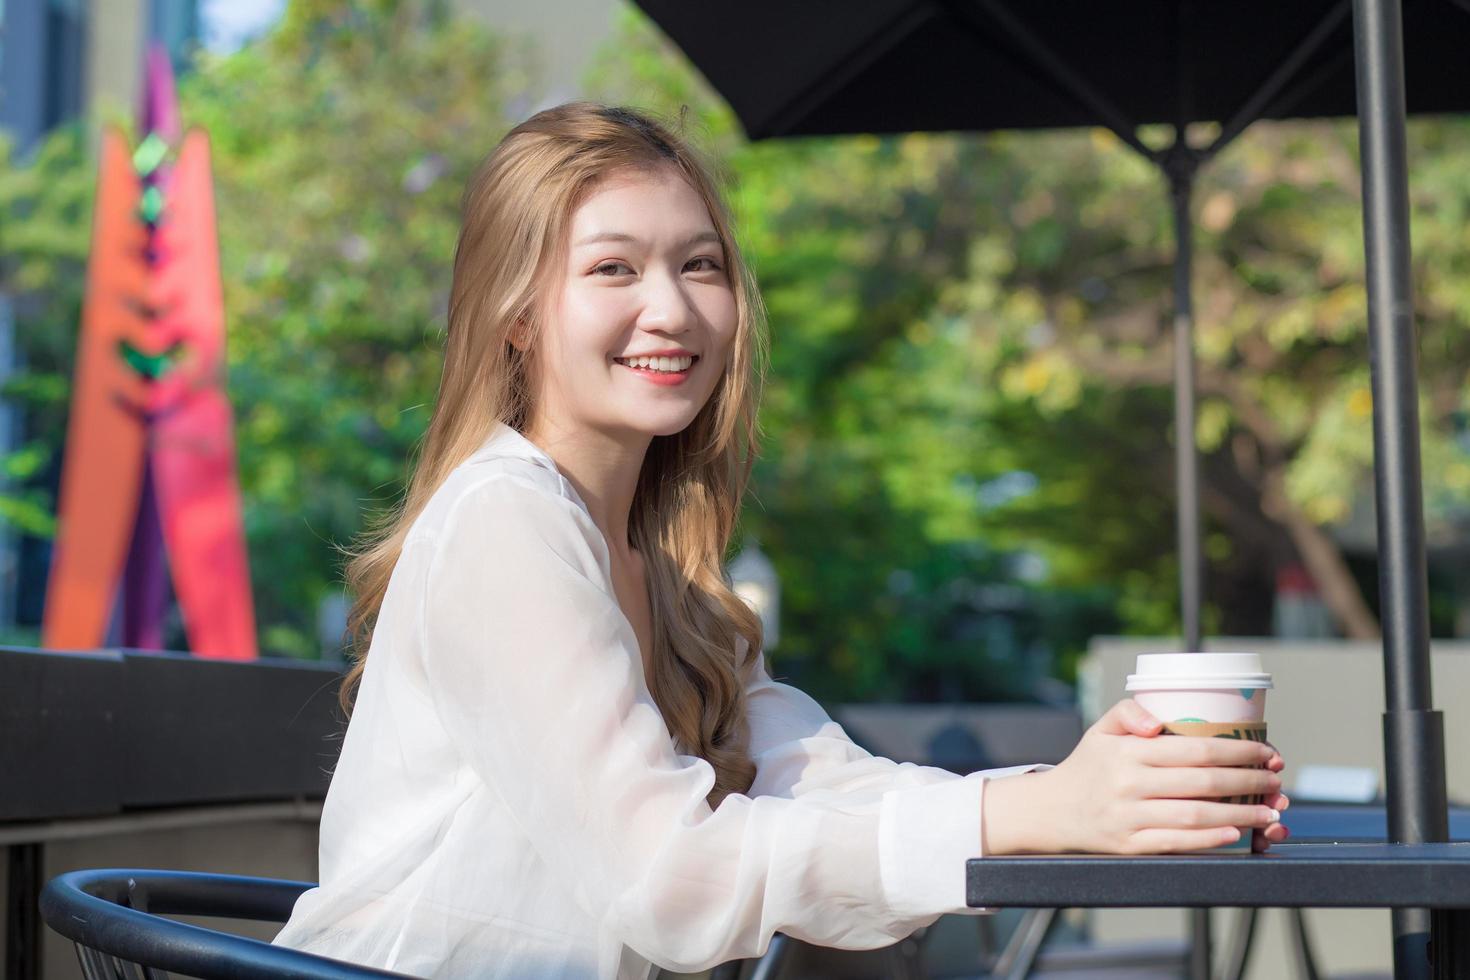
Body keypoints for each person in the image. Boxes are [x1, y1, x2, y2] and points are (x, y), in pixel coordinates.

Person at [272, 102, 1289, 979]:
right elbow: (667, 874)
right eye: (613, 267)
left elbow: (826, 778)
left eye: (699, 263)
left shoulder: (660, 565)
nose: (670, 307)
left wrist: (1081, 791)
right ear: (518, 318)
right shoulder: (504, 521)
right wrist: (1036, 815)